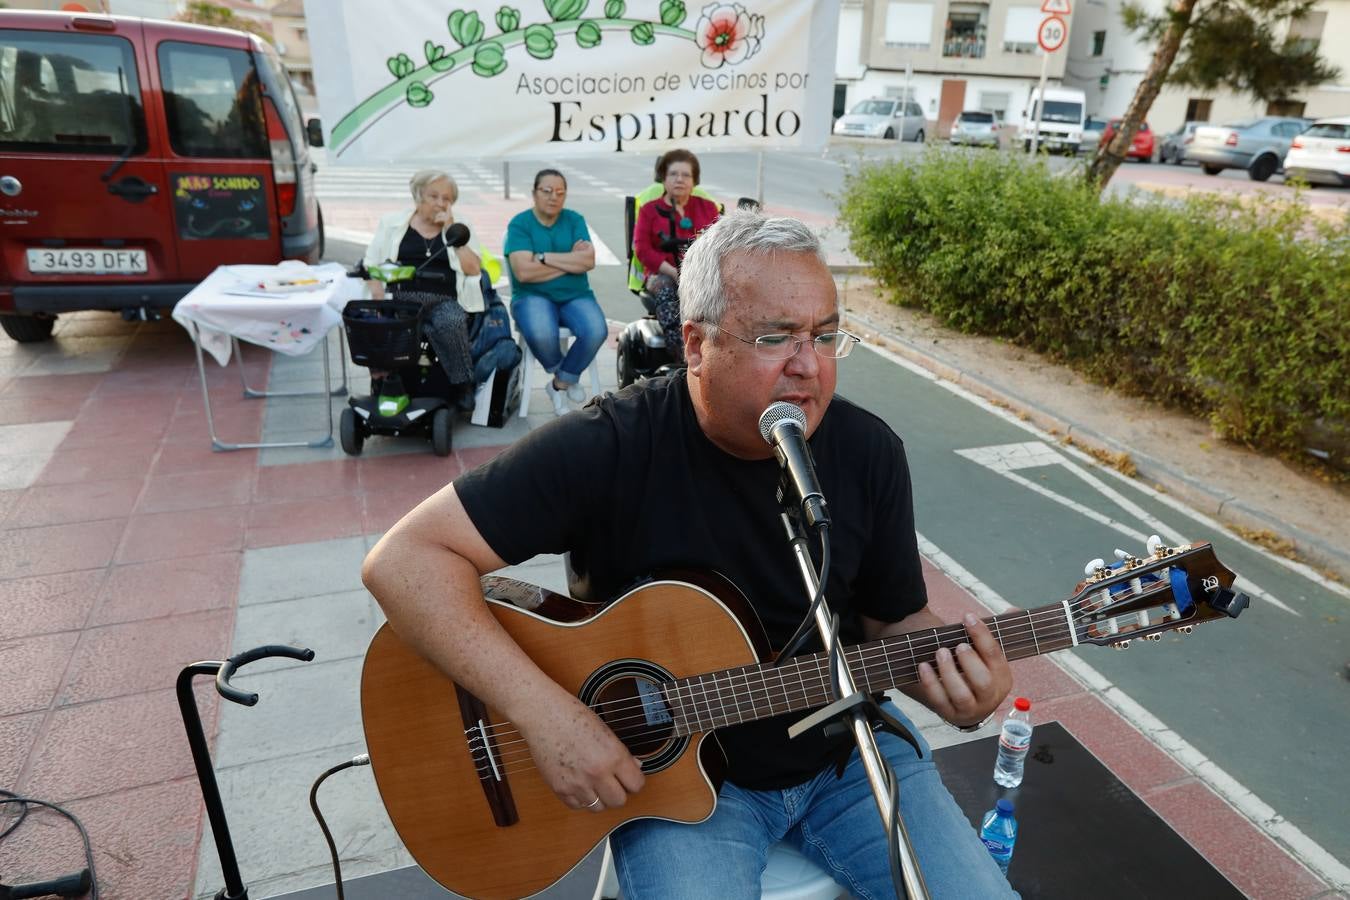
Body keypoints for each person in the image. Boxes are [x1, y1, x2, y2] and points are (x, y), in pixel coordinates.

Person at [362, 211, 1017, 899]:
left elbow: (893, 623)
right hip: (677, 787)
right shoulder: (610, 446)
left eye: (825, 336)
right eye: (775, 337)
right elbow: (404, 561)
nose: (807, 365)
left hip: (846, 760)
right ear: (697, 345)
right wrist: (546, 715)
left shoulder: (867, 451)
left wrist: (963, 689)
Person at [363, 169, 483, 387]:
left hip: (444, 298)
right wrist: (377, 294)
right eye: (433, 196)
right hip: (401, 296)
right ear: (418, 196)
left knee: (451, 322)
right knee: (380, 323)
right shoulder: (392, 223)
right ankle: (386, 380)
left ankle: (462, 384)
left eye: (446, 199)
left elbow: (474, 268)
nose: (440, 203)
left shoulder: (459, 225)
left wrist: (450, 229)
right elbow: (370, 263)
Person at [504, 169, 607, 417]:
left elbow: (587, 261)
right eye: (547, 191)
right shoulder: (520, 223)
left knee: (596, 330)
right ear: (534, 193)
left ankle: (558, 384)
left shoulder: (573, 219)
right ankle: (568, 374)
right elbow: (524, 273)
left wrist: (543, 258)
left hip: (576, 294)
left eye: (560, 192)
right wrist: (569, 262)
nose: (554, 197)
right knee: (540, 331)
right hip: (531, 295)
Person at [632, 149, 720, 361]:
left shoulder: (707, 208)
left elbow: (718, 244)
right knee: (667, 292)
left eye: (686, 175)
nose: (679, 179)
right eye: (673, 174)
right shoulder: (649, 210)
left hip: (699, 275)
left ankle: (717, 352)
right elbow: (642, 249)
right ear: (663, 178)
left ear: (694, 180)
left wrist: (694, 273)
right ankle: (683, 358)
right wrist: (673, 272)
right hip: (662, 274)